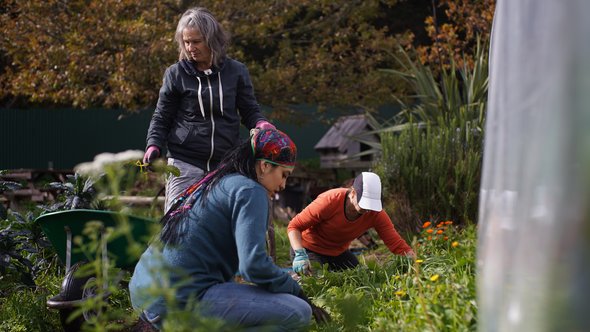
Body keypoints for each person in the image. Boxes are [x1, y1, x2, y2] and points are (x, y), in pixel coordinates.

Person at [129, 129, 330, 331]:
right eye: (283, 175)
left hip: (143, 293)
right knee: (297, 312)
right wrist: (297, 292)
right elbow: (253, 267)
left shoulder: (221, 181)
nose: (284, 185)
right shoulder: (251, 191)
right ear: (264, 166)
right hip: (174, 303)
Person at [142, 7, 275, 212]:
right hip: (184, 161)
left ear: (212, 40)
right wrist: (153, 144)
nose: (190, 47)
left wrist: (261, 123)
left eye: (196, 41)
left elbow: (249, 110)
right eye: (186, 42)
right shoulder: (175, 74)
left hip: (226, 162)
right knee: (175, 224)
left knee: (222, 224)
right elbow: (162, 116)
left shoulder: (236, 72)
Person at [288, 172, 416, 275]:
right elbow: (294, 226)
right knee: (318, 282)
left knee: (359, 277)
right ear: (353, 193)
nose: (368, 209)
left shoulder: (375, 213)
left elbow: (396, 244)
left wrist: (417, 264)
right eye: (365, 203)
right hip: (308, 249)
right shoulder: (330, 200)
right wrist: (300, 254)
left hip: (337, 253)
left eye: (372, 204)